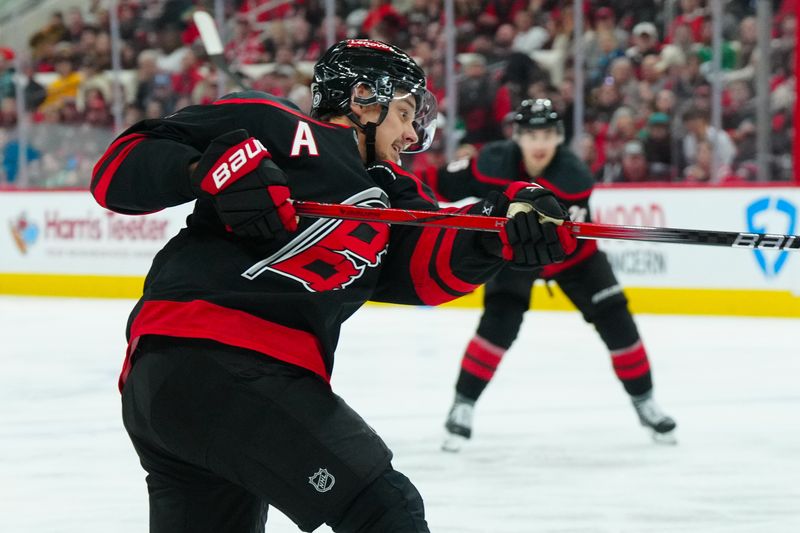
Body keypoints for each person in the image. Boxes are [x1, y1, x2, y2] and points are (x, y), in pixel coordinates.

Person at [90, 39, 573, 533]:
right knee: (385, 513)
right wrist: (204, 170)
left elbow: (425, 267)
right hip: (223, 363)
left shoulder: (392, 193)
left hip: (175, 388)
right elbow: (115, 169)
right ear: (363, 97)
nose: (411, 134)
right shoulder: (270, 121)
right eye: (405, 113)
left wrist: (500, 227)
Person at [418, 98, 677, 452]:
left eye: (546, 135)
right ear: (517, 137)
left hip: (573, 257)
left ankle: (645, 402)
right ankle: (462, 405)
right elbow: (435, 180)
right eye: (530, 134)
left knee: (616, 318)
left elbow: (567, 236)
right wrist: (400, 194)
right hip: (514, 254)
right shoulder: (490, 162)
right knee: (499, 322)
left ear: (558, 137)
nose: (538, 144)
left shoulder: (575, 178)